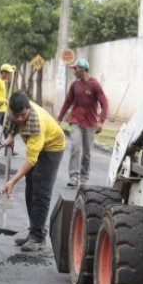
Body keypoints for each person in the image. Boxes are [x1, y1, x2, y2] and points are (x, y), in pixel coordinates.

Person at [0, 91, 66, 251]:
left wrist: (12, 181)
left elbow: (31, 159)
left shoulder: (37, 123)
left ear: (28, 108)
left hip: (52, 147)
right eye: (16, 115)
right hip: (38, 147)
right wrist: (11, 137)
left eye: (23, 115)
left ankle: (38, 237)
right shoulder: (12, 112)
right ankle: (34, 231)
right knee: (30, 189)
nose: (19, 119)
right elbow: (14, 125)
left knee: (41, 190)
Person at [56, 58, 108, 188]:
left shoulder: (94, 85)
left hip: (90, 123)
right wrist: (59, 118)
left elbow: (104, 103)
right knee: (75, 146)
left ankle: (84, 177)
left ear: (83, 69)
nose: (74, 71)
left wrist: (101, 122)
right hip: (76, 121)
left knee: (87, 152)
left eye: (76, 68)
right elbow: (67, 102)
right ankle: (74, 177)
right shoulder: (75, 85)